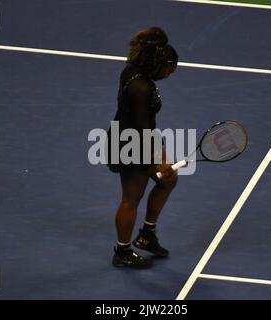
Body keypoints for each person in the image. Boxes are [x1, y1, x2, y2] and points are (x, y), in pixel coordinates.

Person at [106, 27, 179, 268]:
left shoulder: (133, 71)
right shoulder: (141, 88)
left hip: (137, 136)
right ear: (159, 64)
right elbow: (142, 130)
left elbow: (146, 127)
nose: (170, 74)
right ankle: (123, 252)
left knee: (168, 179)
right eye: (170, 69)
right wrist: (158, 159)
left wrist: (162, 156)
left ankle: (147, 235)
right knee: (130, 200)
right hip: (130, 144)